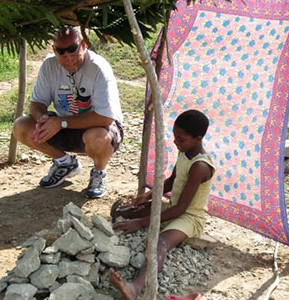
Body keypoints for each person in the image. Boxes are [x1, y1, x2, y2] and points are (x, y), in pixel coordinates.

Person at [109, 109, 215, 300]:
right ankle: (126, 213)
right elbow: (172, 180)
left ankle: (135, 288)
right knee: (131, 211)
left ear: (198, 138)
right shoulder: (185, 153)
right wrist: (148, 196)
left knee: (160, 243)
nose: (176, 142)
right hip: (174, 206)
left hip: (190, 217)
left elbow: (182, 209)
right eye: (175, 137)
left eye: (181, 139)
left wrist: (142, 223)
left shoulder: (200, 166)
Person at [13, 26, 123, 199]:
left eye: (73, 50)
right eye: (61, 52)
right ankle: (65, 163)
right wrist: (43, 119)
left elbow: (106, 117)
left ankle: (99, 172)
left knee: (97, 139)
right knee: (22, 126)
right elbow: (36, 103)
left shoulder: (98, 68)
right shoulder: (49, 65)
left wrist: (61, 122)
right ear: (54, 49)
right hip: (65, 124)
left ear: (84, 45)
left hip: (99, 127)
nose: (68, 58)